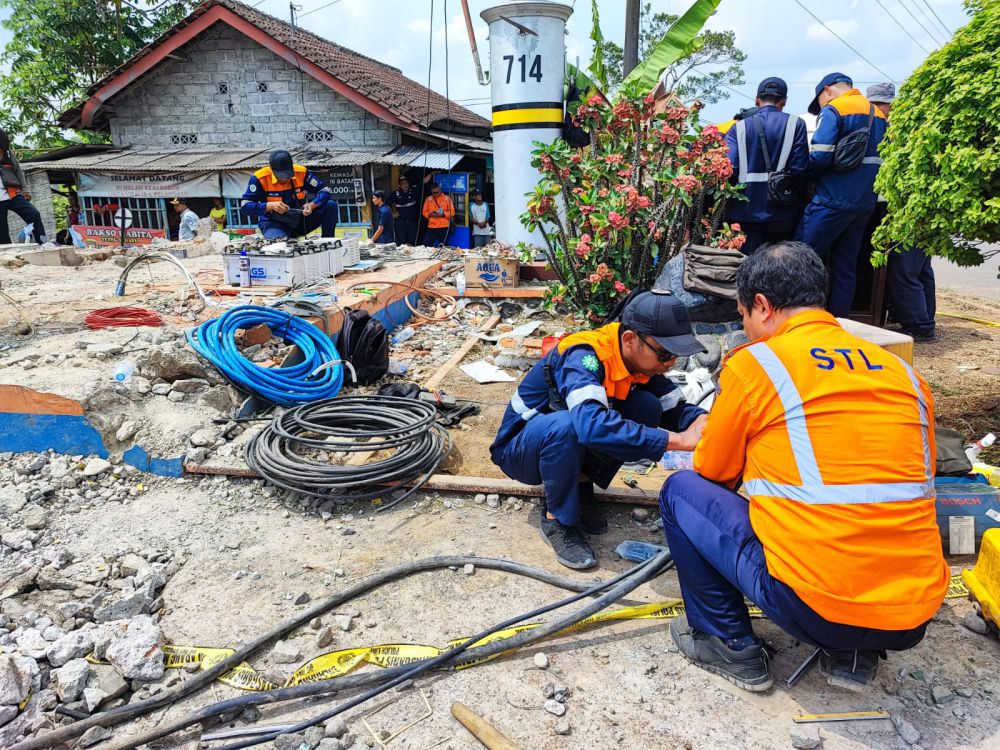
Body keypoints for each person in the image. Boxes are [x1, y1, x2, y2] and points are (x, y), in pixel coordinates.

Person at [659, 242, 948, 693]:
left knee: (681, 492)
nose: (747, 330)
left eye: (744, 318)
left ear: (762, 306)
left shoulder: (759, 363)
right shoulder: (901, 372)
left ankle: (727, 643)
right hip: (913, 613)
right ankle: (855, 654)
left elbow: (713, 471)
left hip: (816, 608)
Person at [491, 290, 709, 570]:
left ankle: (580, 489)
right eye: (665, 354)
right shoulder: (585, 357)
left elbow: (676, 411)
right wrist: (676, 440)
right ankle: (557, 521)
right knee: (571, 425)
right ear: (630, 339)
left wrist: (704, 422)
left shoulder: (639, 365)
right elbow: (591, 427)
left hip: (561, 444)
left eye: (675, 356)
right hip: (519, 451)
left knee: (646, 407)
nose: (670, 364)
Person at [796, 73, 888, 317]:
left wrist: (806, 180)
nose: (821, 108)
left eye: (820, 103)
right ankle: (839, 323)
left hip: (830, 201)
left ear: (827, 91)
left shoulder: (835, 108)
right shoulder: (877, 113)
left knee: (799, 259)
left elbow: (820, 155)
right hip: (863, 204)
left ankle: (802, 318)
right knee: (845, 267)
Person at [865, 82, 936, 341]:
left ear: (889, 105)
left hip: (910, 211)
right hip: (921, 210)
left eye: (877, 106)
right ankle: (925, 321)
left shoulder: (896, 133)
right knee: (920, 269)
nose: (874, 112)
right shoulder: (909, 129)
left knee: (904, 270)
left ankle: (920, 326)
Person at [725, 77, 808, 255]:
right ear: (784, 102)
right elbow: (799, 169)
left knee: (746, 267)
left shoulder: (738, 128)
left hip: (745, 213)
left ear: (757, 100)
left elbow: (729, 167)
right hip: (782, 214)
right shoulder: (796, 124)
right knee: (778, 269)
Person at [241, 149, 338, 240]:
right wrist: (269, 206)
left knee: (330, 205)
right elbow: (245, 207)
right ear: (272, 170)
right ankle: (279, 238)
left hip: (300, 221)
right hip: (274, 224)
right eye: (280, 176)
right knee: (278, 245)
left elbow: (325, 191)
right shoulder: (260, 178)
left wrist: (312, 206)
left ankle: (327, 242)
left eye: (288, 175)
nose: (285, 179)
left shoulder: (301, 172)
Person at [0, 128, 46, 244]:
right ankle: (7, 254)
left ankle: (43, 242)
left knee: (33, 214)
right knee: (2, 231)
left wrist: (25, 189)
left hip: (12, 194)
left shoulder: (8, 154)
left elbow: (18, 171)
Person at [421, 182, 454, 247]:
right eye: (433, 193)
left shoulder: (447, 198)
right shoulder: (428, 199)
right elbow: (424, 212)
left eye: (437, 192)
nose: (435, 194)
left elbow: (452, 212)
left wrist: (443, 214)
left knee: (444, 247)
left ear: (440, 190)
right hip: (432, 227)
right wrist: (430, 214)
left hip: (444, 226)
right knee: (427, 245)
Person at [390, 176, 419, 245]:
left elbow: (423, 182)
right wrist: (392, 214)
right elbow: (386, 204)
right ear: (399, 185)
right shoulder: (396, 194)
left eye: (406, 183)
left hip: (412, 222)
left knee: (412, 242)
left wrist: (430, 173)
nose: (405, 185)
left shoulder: (413, 191)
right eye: (403, 184)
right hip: (401, 223)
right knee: (401, 243)